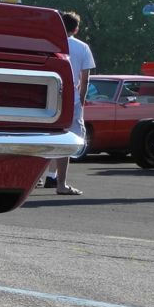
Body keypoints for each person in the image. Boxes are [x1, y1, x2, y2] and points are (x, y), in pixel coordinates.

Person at [45, 11, 95, 195]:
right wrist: (80, 102)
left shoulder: (50, 44)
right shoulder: (82, 48)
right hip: (70, 99)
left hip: (49, 97)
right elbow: (85, 79)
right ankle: (61, 183)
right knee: (66, 140)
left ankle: (41, 177)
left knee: (45, 137)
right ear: (76, 29)